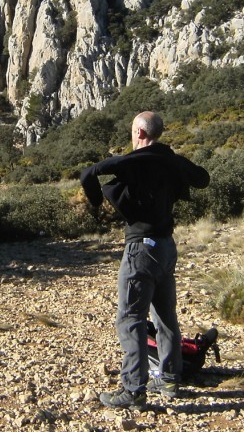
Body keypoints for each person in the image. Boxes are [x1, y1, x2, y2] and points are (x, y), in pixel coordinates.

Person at [80, 111, 210, 409]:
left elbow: (89, 173)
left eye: (131, 131)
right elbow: (202, 179)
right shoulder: (172, 160)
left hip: (141, 249)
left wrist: (98, 202)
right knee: (165, 316)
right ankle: (168, 378)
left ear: (139, 132)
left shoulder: (134, 162)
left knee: (131, 319)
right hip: (166, 247)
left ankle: (133, 389)